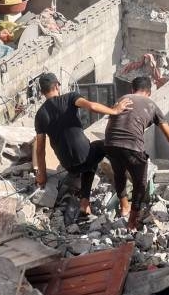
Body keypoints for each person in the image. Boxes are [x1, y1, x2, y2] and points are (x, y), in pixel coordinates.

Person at [33, 73, 132, 216]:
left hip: (68, 165)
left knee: (90, 164)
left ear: (42, 92)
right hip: (85, 155)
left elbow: (40, 148)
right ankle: (124, 203)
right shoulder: (69, 98)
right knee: (106, 147)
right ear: (56, 86)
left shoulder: (40, 115)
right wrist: (114, 110)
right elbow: (91, 106)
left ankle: (84, 203)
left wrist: (42, 175)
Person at [105, 76, 169, 231]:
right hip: (132, 146)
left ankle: (124, 206)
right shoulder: (151, 105)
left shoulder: (123, 99)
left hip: (110, 144)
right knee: (140, 183)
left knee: (119, 173)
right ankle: (132, 221)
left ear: (132, 90)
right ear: (149, 92)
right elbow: (168, 133)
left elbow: (112, 121)